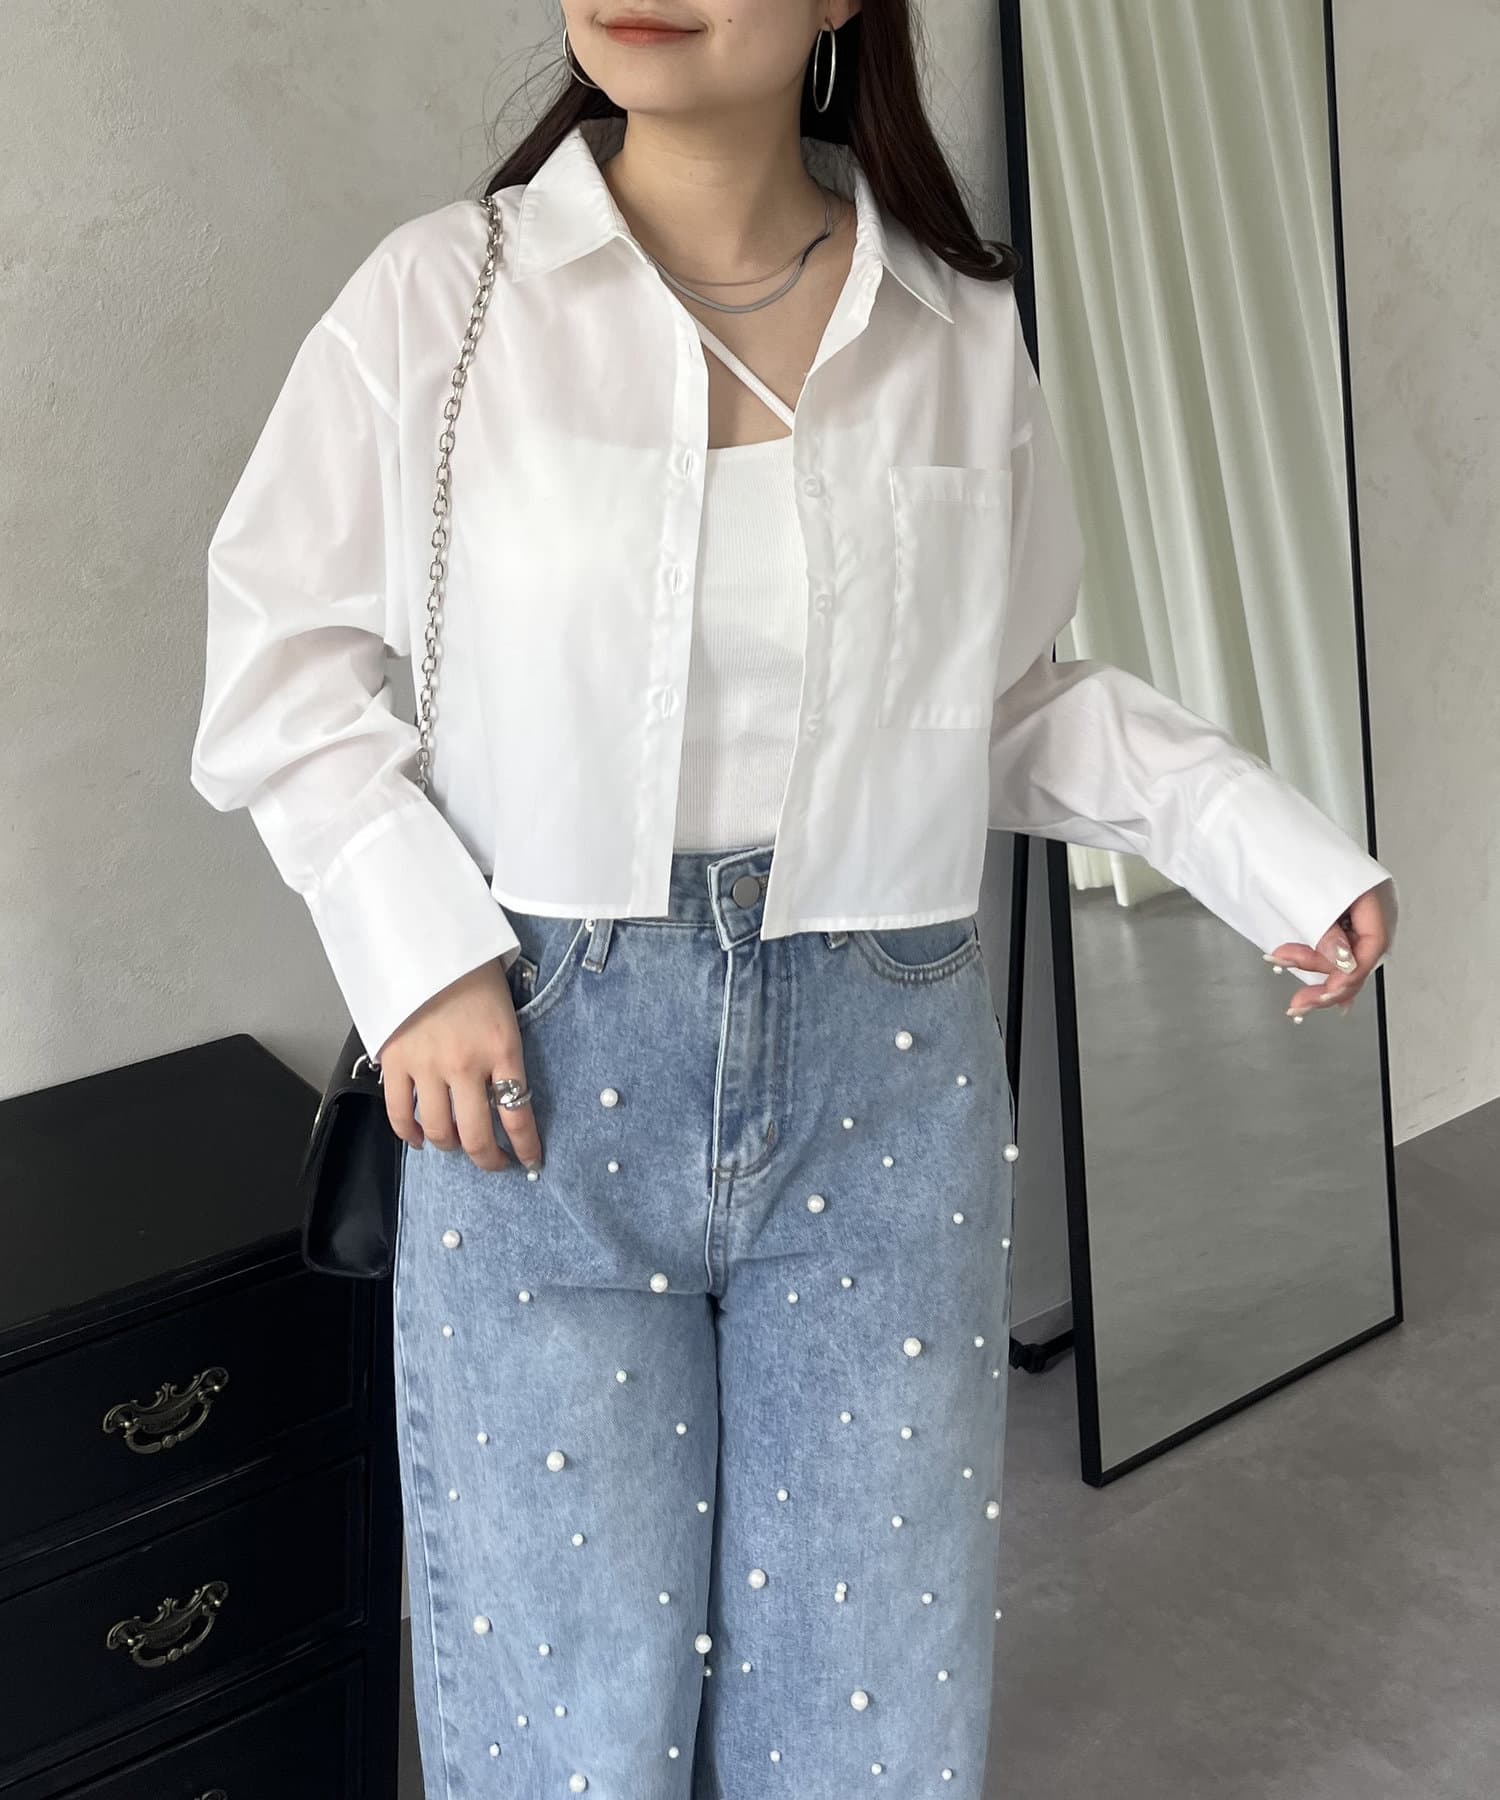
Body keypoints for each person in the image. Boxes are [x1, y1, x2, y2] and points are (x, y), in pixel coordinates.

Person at [188, 4, 1397, 1794]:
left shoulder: (954, 324)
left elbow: (1007, 697)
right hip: (532, 1077)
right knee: (564, 1718)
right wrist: (419, 959)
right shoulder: (442, 298)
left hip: (884, 1077)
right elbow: (282, 670)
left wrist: (1271, 852)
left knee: (869, 1699)